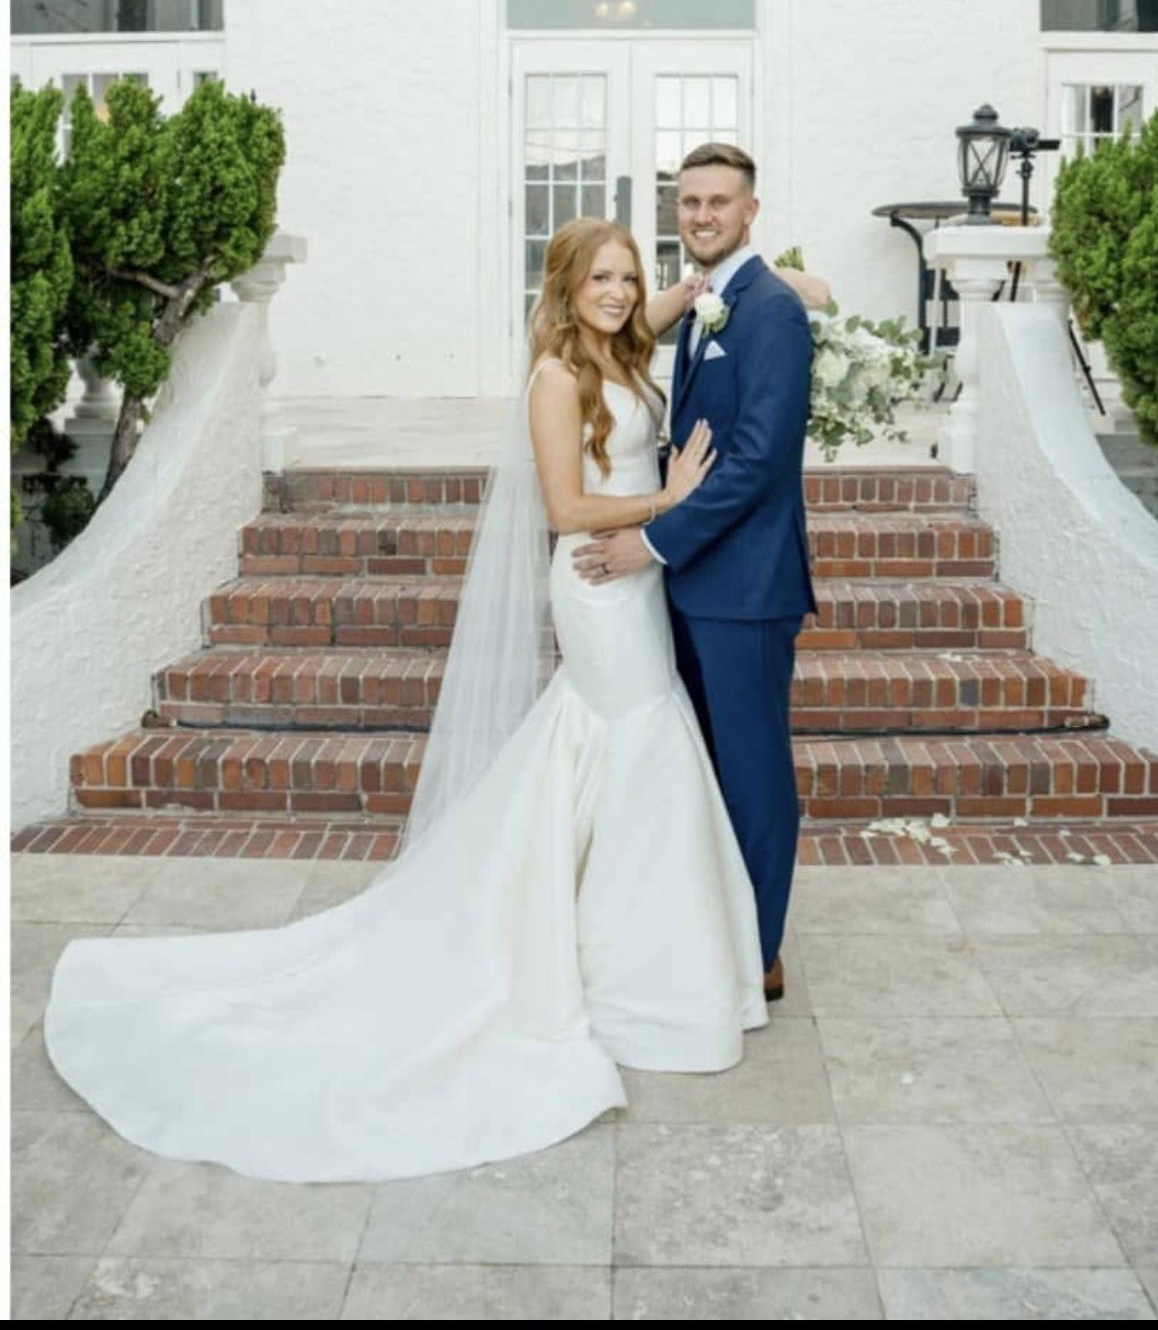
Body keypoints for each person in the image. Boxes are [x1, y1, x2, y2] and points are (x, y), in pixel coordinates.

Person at [41, 213, 825, 1184]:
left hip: (638, 581)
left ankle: (617, 944)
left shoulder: (621, 347)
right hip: (598, 577)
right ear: (565, 286)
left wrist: (782, 283)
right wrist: (666, 501)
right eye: (600, 278)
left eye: (627, 276)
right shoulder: (556, 378)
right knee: (641, 738)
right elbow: (565, 507)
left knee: (613, 747)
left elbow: (687, 296)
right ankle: (633, 971)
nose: (620, 291)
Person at [573, 143, 818, 1001]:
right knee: (704, 766)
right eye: (689, 202)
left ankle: (756, 951)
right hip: (693, 581)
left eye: (718, 201)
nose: (702, 214)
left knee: (751, 774)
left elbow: (755, 461)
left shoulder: (770, 311)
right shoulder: (713, 299)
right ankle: (712, 931)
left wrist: (653, 540)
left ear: (751, 210)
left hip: (743, 585)